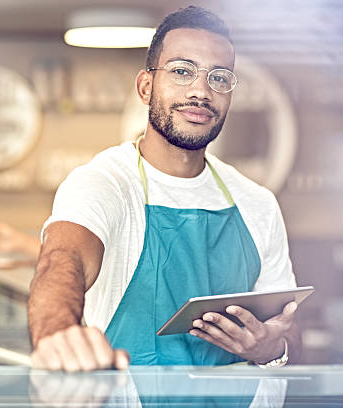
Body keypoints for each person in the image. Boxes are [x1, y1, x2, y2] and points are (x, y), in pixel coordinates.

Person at [28, 6, 300, 372]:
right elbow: (62, 261)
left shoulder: (258, 202)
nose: (201, 91)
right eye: (181, 71)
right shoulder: (104, 182)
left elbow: (288, 330)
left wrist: (272, 346)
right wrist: (58, 333)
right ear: (145, 87)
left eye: (219, 78)